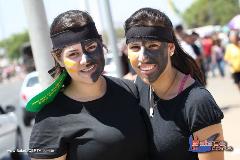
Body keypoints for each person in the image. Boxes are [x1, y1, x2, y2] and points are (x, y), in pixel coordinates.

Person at [28, 10, 148, 160]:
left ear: (101, 43)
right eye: (73, 54)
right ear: (59, 59)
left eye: (91, 47)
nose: (85, 59)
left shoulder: (130, 90)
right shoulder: (50, 118)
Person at [124, 8, 224, 160]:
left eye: (153, 46)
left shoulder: (199, 102)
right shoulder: (139, 86)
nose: (142, 57)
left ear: (170, 48)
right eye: (135, 48)